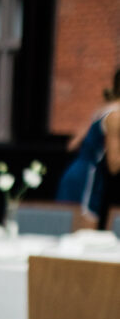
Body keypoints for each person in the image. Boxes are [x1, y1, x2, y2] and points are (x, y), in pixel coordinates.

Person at [55, 70, 120, 226]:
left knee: (64, 231)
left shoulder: (103, 108)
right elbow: (114, 165)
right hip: (89, 176)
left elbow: (72, 144)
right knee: (84, 237)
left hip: (74, 171)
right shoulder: (116, 116)